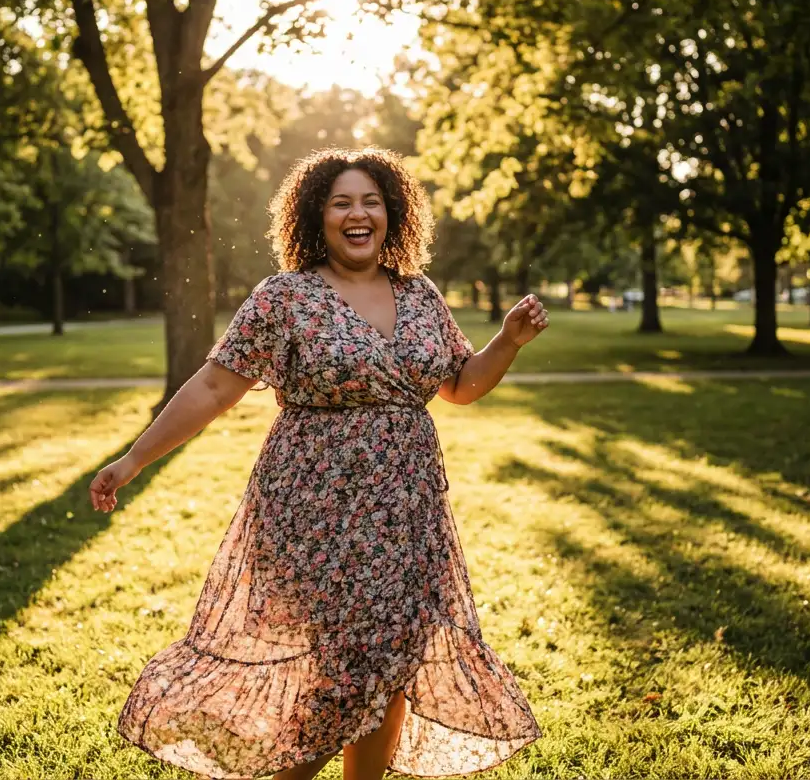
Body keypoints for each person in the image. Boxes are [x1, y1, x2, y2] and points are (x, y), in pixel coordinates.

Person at [89, 147, 549, 780]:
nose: (357, 214)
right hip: (315, 511)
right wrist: (134, 459)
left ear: (392, 215)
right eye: (341, 203)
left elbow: (461, 385)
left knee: (393, 659)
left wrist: (507, 342)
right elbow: (215, 388)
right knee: (344, 670)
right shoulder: (286, 298)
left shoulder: (419, 295)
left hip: (407, 514)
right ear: (316, 216)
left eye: (371, 202)